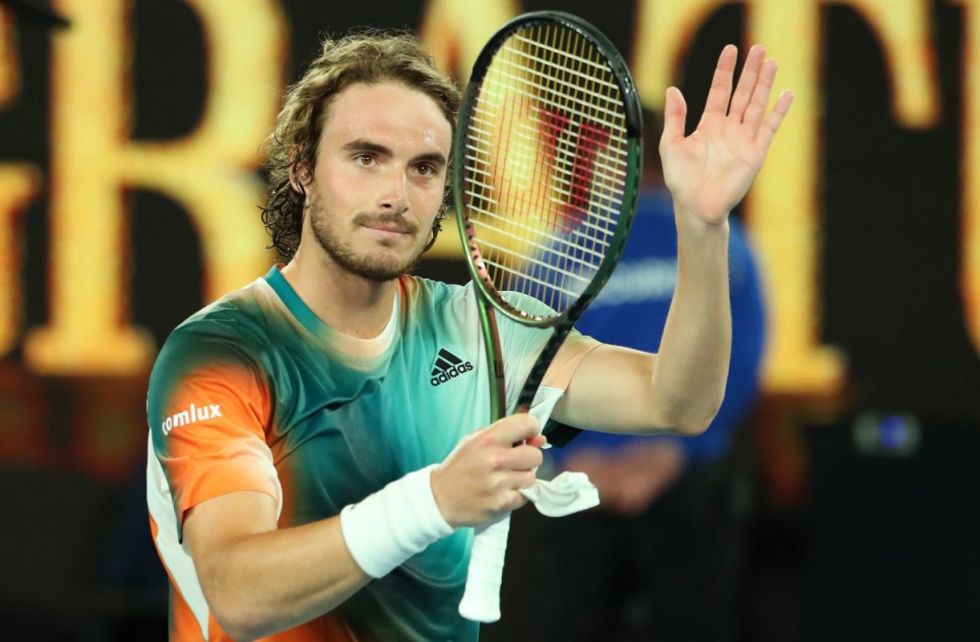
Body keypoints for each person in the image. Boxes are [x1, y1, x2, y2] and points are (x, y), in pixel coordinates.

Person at [145, 30, 791, 642]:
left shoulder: (483, 328)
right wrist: (435, 501)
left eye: (425, 168)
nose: (397, 194)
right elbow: (238, 594)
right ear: (302, 170)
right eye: (366, 158)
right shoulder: (221, 354)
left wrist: (701, 226)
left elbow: (678, 403)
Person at [520, 109, 767, 642]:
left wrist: (667, 454)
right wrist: (575, 459)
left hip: (656, 481)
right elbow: (522, 361)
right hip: (604, 482)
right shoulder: (718, 241)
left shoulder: (709, 239)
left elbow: (743, 360)